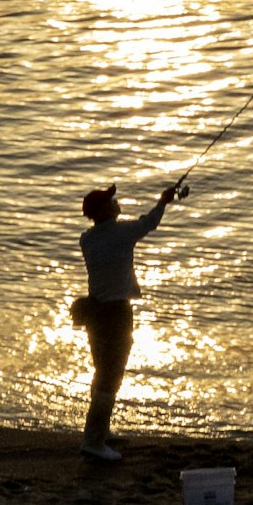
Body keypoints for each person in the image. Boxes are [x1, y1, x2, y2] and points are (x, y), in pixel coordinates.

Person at [71, 177, 181, 460]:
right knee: (111, 374)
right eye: (111, 201)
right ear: (106, 210)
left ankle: (101, 432)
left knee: (102, 370)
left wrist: (163, 201)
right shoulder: (120, 234)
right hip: (115, 313)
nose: (116, 203)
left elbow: (138, 225)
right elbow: (149, 223)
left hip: (96, 313)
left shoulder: (87, 239)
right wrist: (163, 201)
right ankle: (93, 441)